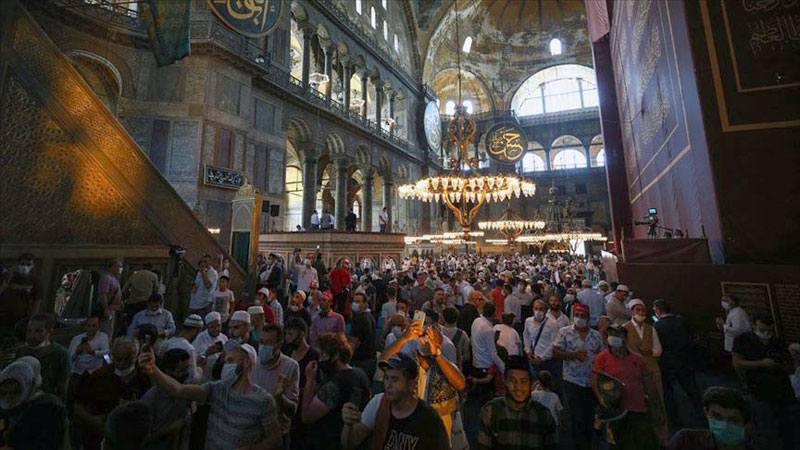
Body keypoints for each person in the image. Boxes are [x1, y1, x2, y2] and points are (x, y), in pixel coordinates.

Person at [139, 339, 282, 450]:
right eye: (225, 361)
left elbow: (275, 442)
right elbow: (178, 389)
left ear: (246, 364)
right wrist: (153, 369)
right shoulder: (216, 389)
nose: (226, 365)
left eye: (231, 361)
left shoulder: (263, 400)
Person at [381, 310, 468, 448]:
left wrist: (438, 355)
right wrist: (404, 338)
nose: (425, 338)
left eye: (430, 336)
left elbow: (460, 383)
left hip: (440, 432)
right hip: (412, 430)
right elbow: (383, 361)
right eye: (423, 335)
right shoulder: (410, 362)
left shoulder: (444, 359)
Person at [341, 353, 452, 450]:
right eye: (386, 378)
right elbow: (350, 444)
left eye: (395, 380)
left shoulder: (428, 418)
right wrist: (348, 425)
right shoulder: (379, 403)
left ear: (411, 384)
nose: (388, 385)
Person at [731, 313, 800, 450]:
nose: (766, 333)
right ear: (753, 326)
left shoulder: (777, 343)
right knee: (767, 430)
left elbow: (790, 367)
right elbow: (737, 363)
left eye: (769, 330)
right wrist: (761, 364)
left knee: (790, 430)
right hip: (759, 392)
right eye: (762, 330)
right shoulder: (743, 341)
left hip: (784, 393)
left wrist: (778, 366)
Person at [72, 337, 150, 449]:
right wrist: (92, 420)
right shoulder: (99, 376)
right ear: (112, 356)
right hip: (99, 439)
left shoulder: (144, 377)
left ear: (136, 356)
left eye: (127, 359)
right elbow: (77, 407)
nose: (121, 364)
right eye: (118, 359)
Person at [592, 324, 659, 450]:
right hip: (616, 412)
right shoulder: (602, 358)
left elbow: (649, 384)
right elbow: (596, 381)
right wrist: (602, 400)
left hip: (639, 410)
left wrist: (656, 407)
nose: (613, 338)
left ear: (625, 338)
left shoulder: (637, 359)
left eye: (617, 335)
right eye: (610, 335)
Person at [301, 332, 371, 450]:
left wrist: (309, 380)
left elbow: (307, 416)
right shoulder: (360, 374)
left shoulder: (334, 384)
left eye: (324, 356)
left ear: (336, 355)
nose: (321, 361)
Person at [477, 355, 558, 450]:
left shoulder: (544, 416)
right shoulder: (490, 412)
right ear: (505, 381)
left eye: (523, 381)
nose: (518, 388)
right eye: (512, 381)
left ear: (531, 383)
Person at [552, 303, 604, 450]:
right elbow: (555, 352)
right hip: (572, 381)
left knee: (589, 415)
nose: (580, 318)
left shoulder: (596, 336)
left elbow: (602, 356)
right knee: (574, 417)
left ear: (588, 318)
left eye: (583, 316)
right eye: (578, 315)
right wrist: (572, 355)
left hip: (591, 382)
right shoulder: (564, 332)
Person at [652, 298, 702, 429]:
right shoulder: (681, 321)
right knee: (693, 391)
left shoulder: (657, 326)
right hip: (685, 361)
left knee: (669, 394)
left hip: (667, 364)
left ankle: (675, 421)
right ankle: (703, 415)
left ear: (658, 310)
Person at [624, 299, 668, 443]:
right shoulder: (624, 329)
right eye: (638, 310)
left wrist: (649, 351)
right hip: (633, 372)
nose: (641, 313)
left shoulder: (651, 328)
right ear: (632, 312)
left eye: (643, 311)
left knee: (657, 403)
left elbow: (658, 350)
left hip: (652, 370)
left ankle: (662, 437)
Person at [253, 323, 300, 447]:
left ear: (279, 344)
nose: (263, 347)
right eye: (261, 342)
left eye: (269, 343)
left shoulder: (290, 366)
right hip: (253, 434)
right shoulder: (252, 364)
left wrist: (279, 397)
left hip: (277, 436)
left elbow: (292, 410)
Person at [667, 387, 754, 450]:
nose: (724, 425)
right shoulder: (686, 441)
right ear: (706, 413)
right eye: (717, 417)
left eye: (733, 420)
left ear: (746, 424)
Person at [140, 349, 191, 450]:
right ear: (168, 372)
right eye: (182, 371)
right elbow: (142, 436)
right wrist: (170, 429)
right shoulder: (151, 398)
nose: (186, 373)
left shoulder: (184, 392)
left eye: (187, 369)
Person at [15, 313, 71, 400]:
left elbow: (63, 391)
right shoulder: (21, 351)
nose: (32, 336)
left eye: (38, 331)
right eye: (29, 331)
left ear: (49, 333)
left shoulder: (62, 355)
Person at [284, 317, 319, 450]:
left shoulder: (313, 355)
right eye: (286, 334)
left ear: (302, 334)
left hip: (303, 410)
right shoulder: (287, 353)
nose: (287, 338)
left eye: (290, 334)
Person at [0, 253, 41, 338]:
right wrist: (8, 278)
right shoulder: (7, 277)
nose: (25, 267)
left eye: (28, 264)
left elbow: (37, 302)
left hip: (20, 320)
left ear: (33, 266)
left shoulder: (35, 281)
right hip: (2, 318)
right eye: (22, 264)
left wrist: (31, 322)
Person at [524, 300, 560, 391]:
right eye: (536, 309)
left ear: (545, 311)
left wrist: (542, 358)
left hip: (547, 361)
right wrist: (528, 351)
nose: (538, 311)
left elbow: (554, 343)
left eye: (540, 309)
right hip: (533, 358)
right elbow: (526, 336)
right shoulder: (528, 321)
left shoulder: (553, 324)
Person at [163, 314, 203, 382]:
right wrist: (200, 367)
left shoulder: (168, 342)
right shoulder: (190, 349)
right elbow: (192, 378)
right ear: (196, 331)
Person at [349, 292, 377, 380]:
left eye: (358, 302)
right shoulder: (370, 317)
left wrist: (347, 359)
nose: (355, 304)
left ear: (365, 304)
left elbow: (355, 342)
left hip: (361, 361)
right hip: (371, 359)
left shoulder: (360, 319)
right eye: (354, 301)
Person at [96, 259, 124, 337]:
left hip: (115, 309)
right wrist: (106, 309)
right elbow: (103, 294)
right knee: (105, 331)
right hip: (108, 309)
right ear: (113, 267)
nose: (121, 269)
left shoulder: (115, 279)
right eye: (119, 266)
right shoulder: (106, 278)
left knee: (111, 332)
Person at [442, 306, 471, 371]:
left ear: (443, 318)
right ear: (457, 318)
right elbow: (467, 356)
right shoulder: (463, 335)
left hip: (441, 368)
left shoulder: (438, 333)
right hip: (456, 370)